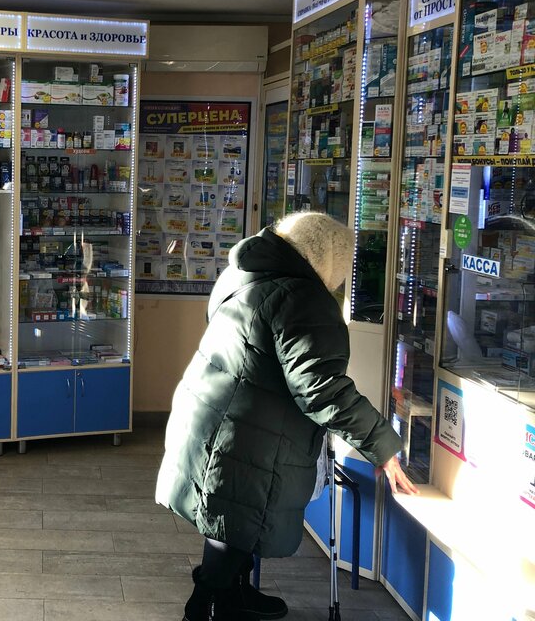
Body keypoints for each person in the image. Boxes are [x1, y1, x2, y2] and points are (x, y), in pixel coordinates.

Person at [155, 212, 417, 621]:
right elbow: (321, 388)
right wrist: (382, 445)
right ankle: (205, 607)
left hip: (218, 414)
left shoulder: (245, 272)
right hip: (246, 432)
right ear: (326, 259)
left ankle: (234, 595)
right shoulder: (303, 298)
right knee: (234, 517)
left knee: (231, 516)